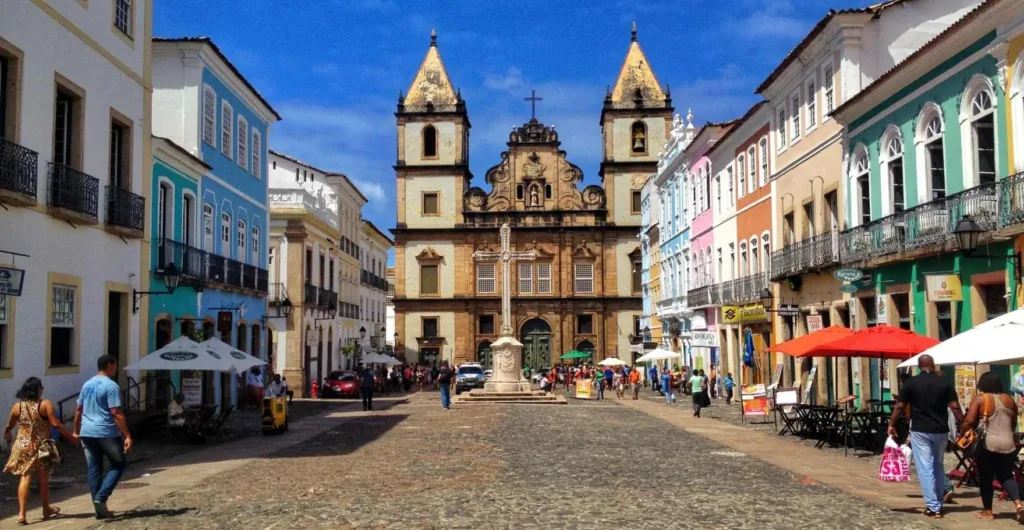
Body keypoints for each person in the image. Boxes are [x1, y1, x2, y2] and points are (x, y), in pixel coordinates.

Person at [888, 354, 960, 519]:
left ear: (919, 366)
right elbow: (955, 406)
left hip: (921, 430)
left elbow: (900, 406)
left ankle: (933, 506)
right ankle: (938, 503)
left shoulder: (911, 383)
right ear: (933, 365)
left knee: (925, 467)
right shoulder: (945, 382)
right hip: (941, 430)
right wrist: (963, 424)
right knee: (938, 464)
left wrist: (892, 424)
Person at [4, 377, 78, 525]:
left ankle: (21, 514)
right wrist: (71, 437)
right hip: (42, 446)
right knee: (43, 477)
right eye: (41, 387)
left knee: (25, 478)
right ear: (37, 390)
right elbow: (56, 424)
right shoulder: (45, 404)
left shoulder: (17, 406)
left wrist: (7, 433)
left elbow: (10, 424)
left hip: (22, 445)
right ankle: (45, 508)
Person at [74, 355, 132, 520]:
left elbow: (78, 409)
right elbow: (116, 413)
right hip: (105, 432)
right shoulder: (111, 386)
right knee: (119, 463)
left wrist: (76, 431)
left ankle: (99, 510)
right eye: (115, 365)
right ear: (109, 365)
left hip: (87, 432)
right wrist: (127, 434)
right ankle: (102, 497)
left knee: (94, 470)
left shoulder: (87, 384)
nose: (116, 369)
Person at [960, 372, 1024, 521]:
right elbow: (1013, 423)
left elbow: (969, 421)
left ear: (983, 383)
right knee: (1006, 475)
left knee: (986, 477)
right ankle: (1019, 504)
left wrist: (963, 433)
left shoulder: (980, 399)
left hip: (988, 444)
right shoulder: (1009, 400)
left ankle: (988, 511)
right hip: (1008, 443)